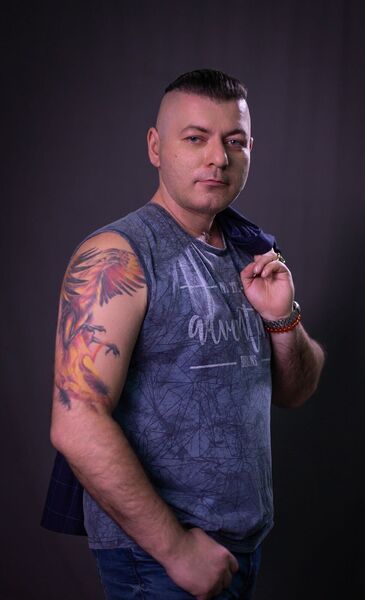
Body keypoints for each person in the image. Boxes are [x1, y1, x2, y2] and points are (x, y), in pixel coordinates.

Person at [45, 69, 325, 600]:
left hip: (242, 546)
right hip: (158, 558)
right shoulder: (117, 256)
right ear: (156, 147)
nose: (218, 157)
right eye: (196, 138)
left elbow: (295, 391)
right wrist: (176, 551)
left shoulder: (252, 251)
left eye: (234, 141)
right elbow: (76, 422)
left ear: (250, 150)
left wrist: (282, 318)